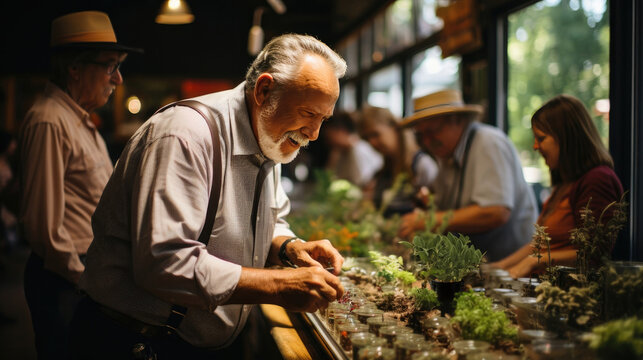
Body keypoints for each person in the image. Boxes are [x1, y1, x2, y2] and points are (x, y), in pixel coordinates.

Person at [69, 34, 346, 359]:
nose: (313, 133)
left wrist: (290, 248)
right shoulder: (185, 135)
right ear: (264, 90)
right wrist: (279, 286)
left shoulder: (272, 135)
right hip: (136, 342)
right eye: (307, 113)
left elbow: (267, 222)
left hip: (198, 343)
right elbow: (164, 262)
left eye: (323, 119)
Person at [17, 10, 141, 359]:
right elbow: (43, 229)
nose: (117, 79)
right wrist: (89, 282)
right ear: (74, 68)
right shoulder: (49, 120)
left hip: (84, 276)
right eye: (110, 65)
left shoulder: (79, 120)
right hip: (67, 279)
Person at [490, 94, 623, 278]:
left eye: (541, 138)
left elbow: (595, 255)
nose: (535, 146)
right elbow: (537, 246)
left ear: (566, 138)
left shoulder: (597, 180)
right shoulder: (565, 182)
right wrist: (497, 268)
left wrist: (536, 261)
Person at [398, 89, 538, 262]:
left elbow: (495, 212)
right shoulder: (448, 154)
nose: (427, 141)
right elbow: (446, 207)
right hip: (484, 267)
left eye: (432, 131)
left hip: (511, 272)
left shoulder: (487, 143)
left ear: (457, 121)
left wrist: (428, 220)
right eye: (421, 135)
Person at [358, 105, 438, 217]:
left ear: (395, 128)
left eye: (375, 134)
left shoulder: (421, 165)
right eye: (367, 138)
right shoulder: (385, 168)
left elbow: (434, 212)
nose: (372, 143)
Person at [319, 110, 383, 187]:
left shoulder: (359, 149)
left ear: (340, 130)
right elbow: (329, 179)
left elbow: (363, 183)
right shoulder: (341, 152)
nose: (327, 140)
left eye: (328, 135)